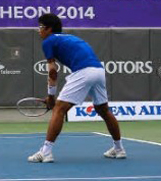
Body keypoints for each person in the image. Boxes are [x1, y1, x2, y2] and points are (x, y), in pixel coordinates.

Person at [28, 14, 126, 163]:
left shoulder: (48, 41)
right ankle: (119, 149)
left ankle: (46, 152)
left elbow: (53, 71)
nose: (38, 30)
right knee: (103, 110)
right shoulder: (70, 38)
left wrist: (51, 96)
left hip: (84, 71)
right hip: (99, 71)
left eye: (41, 27)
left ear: (49, 29)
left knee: (59, 109)